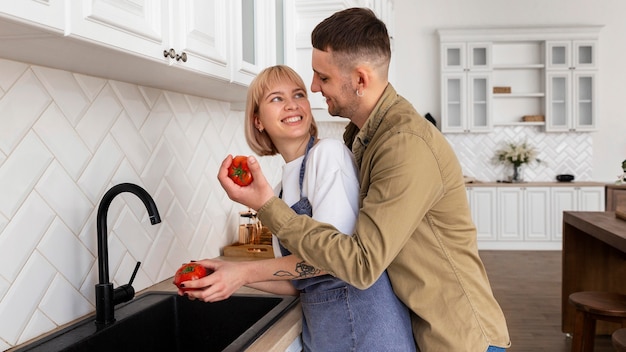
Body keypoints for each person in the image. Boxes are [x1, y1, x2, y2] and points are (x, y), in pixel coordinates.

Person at [215, 8, 511, 352]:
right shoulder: (362, 139)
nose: (313, 88)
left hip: (459, 338)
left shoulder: (403, 144)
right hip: (423, 331)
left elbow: (360, 264)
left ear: (360, 79)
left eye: (321, 78)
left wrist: (266, 208)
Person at [183, 65, 416, 351]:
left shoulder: (328, 155)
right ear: (258, 121)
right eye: (277, 98)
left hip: (369, 334)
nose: (292, 104)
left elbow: (333, 259)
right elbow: (298, 280)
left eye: (298, 94)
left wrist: (243, 273)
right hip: (328, 333)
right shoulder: (280, 189)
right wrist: (226, 271)